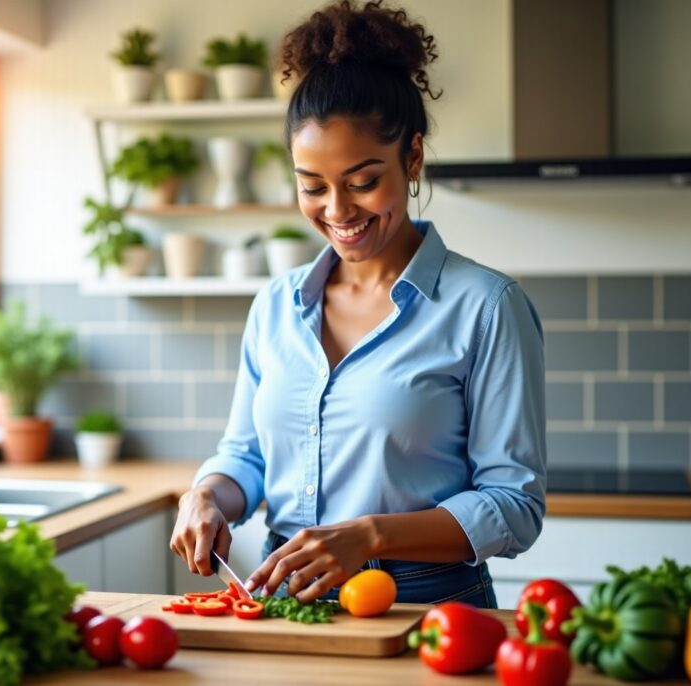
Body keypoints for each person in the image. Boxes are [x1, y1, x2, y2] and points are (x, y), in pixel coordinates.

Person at [169, 0, 546, 608]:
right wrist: (208, 493)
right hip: (285, 598)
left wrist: (368, 535)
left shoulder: (487, 307)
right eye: (312, 186)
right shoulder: (275, 305)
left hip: (428, 607)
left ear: (413, 158)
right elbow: (246, 455)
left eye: (363, 181)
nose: (338, 212)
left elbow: (514, 505)